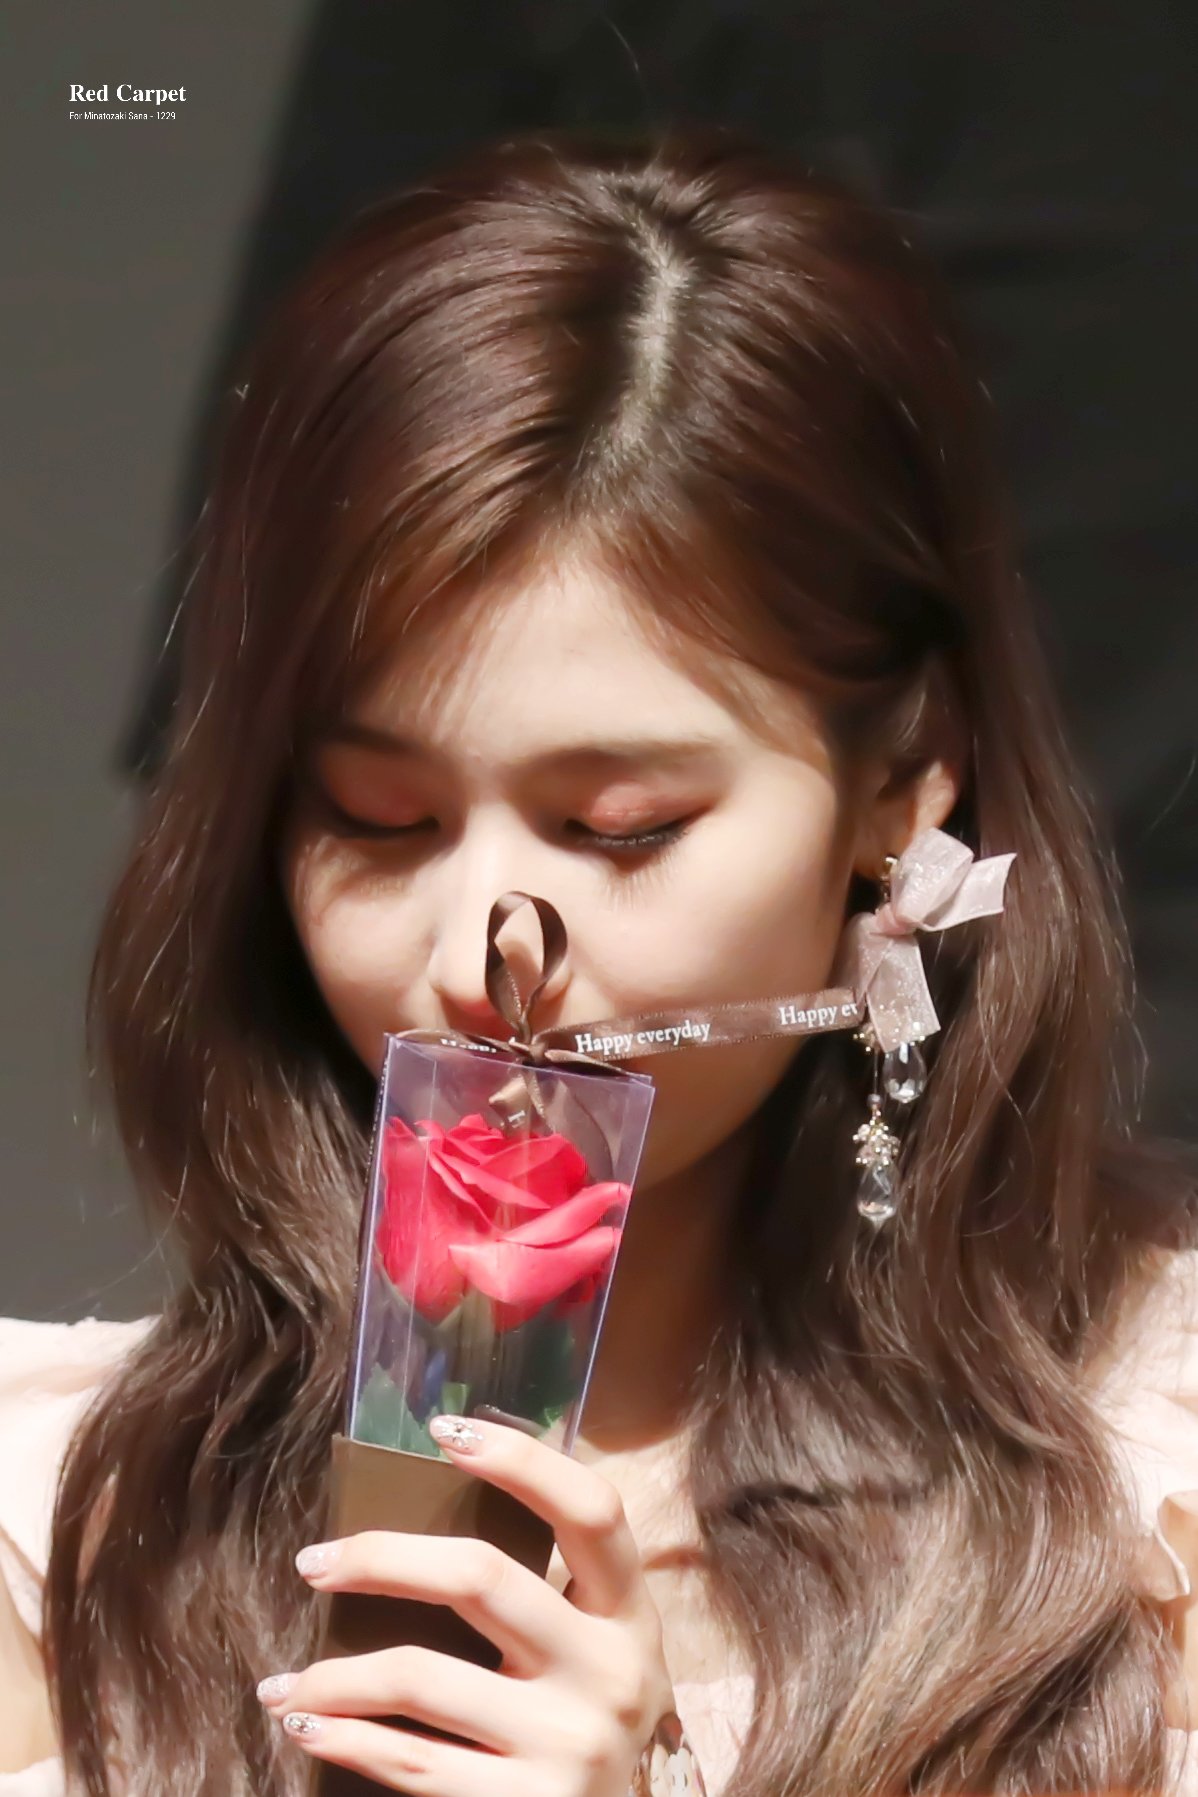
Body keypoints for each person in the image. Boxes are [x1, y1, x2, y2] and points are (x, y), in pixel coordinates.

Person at [2, 123, 1197, 1796]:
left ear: (903, 788)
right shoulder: (67, 1535)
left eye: (622, 826)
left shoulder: (1154, 1478)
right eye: (376, 816)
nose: (480, 959)